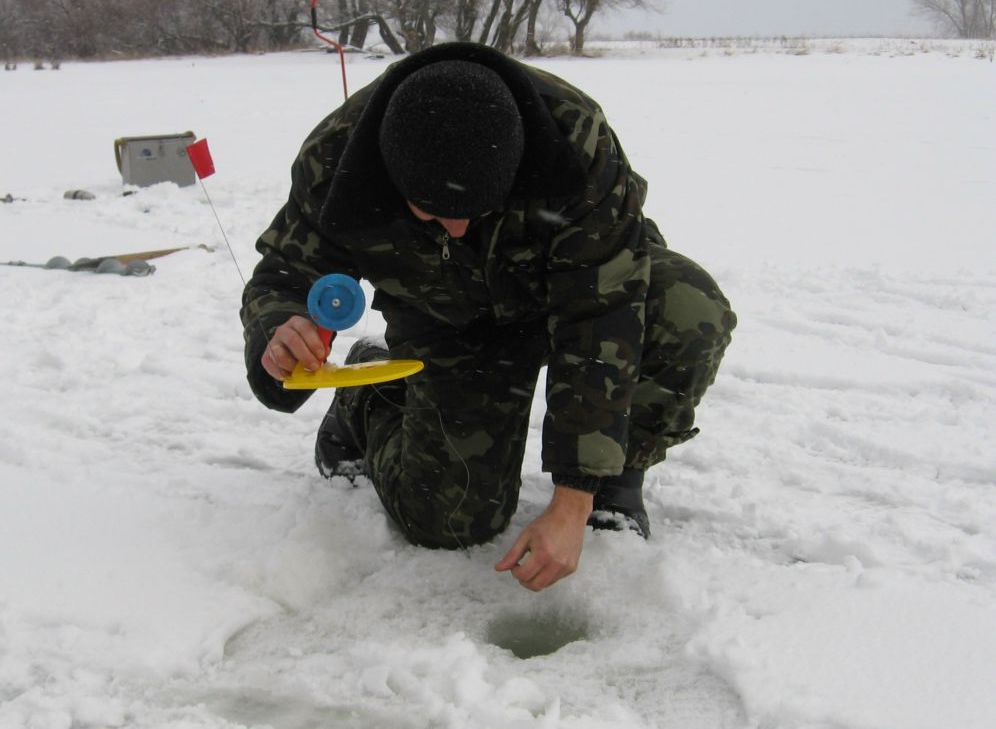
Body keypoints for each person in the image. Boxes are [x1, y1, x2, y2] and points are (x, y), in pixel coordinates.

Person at [241, 42, 736, 592]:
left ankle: (615, 476)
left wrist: (575, 494)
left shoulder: (573, 137)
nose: (456, 230)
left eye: (477, 211)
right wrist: (281, 331)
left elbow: (602, 310)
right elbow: (283, 275)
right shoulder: (337, 159)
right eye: (431, 213)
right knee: (451, 524)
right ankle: (366, 402)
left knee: (690, 308)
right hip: (450, 321)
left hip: (571, 288)